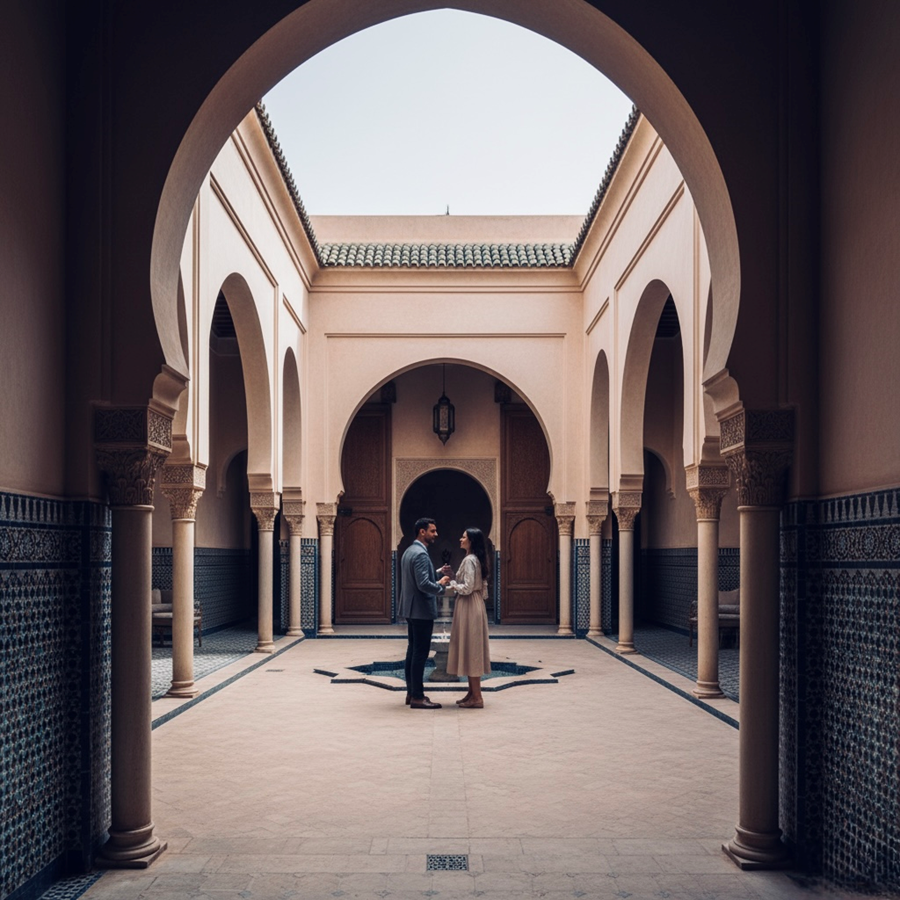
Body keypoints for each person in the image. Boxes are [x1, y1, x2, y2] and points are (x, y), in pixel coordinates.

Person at [397, 517, 451, 709]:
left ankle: (411, 694)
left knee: (412, 652)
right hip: (421, 610)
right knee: (419, 653)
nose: (436, 534)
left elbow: (417, 577)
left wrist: (436, 572)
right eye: (433, 531)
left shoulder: (410, 551)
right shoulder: (420, 554)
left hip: (411, 610)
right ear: (422, 531)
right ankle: (418, 697)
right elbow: (423, 584)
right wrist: (441, 584)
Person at [446, 527, 492, 709]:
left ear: (471, 541)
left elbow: (468, 587)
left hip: (470, 606)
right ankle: (472, 693)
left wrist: (452, 584)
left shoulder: (470, 559)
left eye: (463, 537)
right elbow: (480, 588)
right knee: (469, 647)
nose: (460, 539)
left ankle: (477, 697)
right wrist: (453, 577)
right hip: (473, 604)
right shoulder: (475, 559)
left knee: (472, 649)